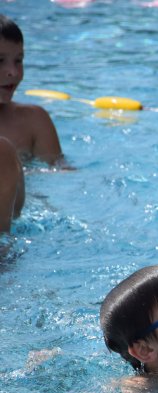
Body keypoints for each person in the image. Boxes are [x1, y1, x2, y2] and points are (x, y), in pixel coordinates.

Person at [0, 14, 62, 231]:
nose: (13, 72)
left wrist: (18, 172)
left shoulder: (34, 121)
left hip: (28, 213)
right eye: (0, 61)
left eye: (19, 60)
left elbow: (61, 173)